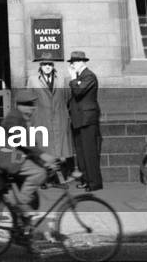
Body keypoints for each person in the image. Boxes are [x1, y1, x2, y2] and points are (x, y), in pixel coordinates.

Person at [0, 89, 58, 235]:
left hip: (18, 159)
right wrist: (43, 157)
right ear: (20, 105)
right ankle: (21, 207)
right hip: (10, 160)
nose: (33, 108)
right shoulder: (14, 117)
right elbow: (22, 142)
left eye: (33, 105)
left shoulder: (23, 119)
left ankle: (23, 233)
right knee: (39, 174)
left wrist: (45, 160)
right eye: (29, 105)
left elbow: (30, 145)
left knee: (34, 200)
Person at [31, 58, 73, 180]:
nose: (47, 66)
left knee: (59, 148)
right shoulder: (33, 80)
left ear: (53, 66)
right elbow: (29, 98)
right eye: (45, 64)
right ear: (40, 66)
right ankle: (45, 179)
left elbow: (67, 96)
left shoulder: (61, 79)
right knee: (44, 147)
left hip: (59, 117)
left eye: (50, 64)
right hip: (41, 118)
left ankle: (60, 178)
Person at [67, 50, 103, 190]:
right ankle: (86, 179)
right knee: (81, 153)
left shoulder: (89, 76)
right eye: (72, 62)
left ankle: (94, 183)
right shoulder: (80, 76)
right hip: (78, 119)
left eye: (74, 62)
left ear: (82, 62)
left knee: (89, 153)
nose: (72, 65)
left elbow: (78, 91)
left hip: (87, 119)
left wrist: (72, 78)